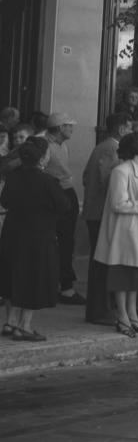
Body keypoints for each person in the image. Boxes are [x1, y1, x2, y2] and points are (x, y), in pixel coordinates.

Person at [0, 138, 68, 342]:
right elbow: (64, 206)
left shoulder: (13, 177)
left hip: (13, 233)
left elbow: (5, 201)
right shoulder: (47, 181)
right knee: (33, 278)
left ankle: (10, 322)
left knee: (13, 275)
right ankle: (24, 326)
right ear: (42, 157)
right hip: (38, 236)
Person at [94, 132, 138, 337]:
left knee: (136, 276)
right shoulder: (121, 171)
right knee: (123, 276)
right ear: (134, 147)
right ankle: (122, 316)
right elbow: (118, 203)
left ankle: (132, 315)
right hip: (126, 232)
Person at [82, 112, 132, 325]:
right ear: (121, 129)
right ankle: (100, 310)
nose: (131, 132)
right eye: (129, 128)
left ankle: (100, 309)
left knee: (100, 262)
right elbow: (107, 181)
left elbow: (86, 176)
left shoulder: (102, 146)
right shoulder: (112, 148)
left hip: (96, 211)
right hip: (101, 213)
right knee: (102, 263)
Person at [43, 112, 85, 305]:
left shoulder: (63, 145)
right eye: (69, 126)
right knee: (59, 241)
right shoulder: (46, 146)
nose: (72, 129)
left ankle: (63, 284)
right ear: (60, 128)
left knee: (67, 241)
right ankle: (62, 286)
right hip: (55, 195)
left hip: (66, 192)